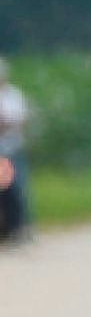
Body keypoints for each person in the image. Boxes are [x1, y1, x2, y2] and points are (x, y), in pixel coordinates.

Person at [0, 58, 34, 245]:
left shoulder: (12, 95)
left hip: (10, 150)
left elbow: (19, 120)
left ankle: (19, 228)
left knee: (15, 189)